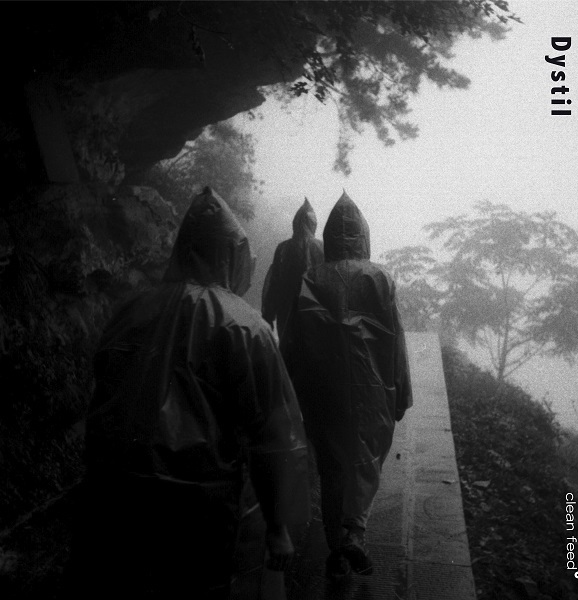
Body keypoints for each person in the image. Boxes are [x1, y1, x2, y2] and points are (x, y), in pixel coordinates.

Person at [64, 187, 309, 599]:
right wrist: (278, 525)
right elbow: (274, 436)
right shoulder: (245, 327)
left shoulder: (130, 311)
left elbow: (103, 393)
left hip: (117, 492)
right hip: (202, 502)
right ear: (233, 255)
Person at [292, 191, 412, 580]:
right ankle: (355, 532)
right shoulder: (380, 278)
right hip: (372, 388)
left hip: (324, 389)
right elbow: (396, 339)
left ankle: (336, 545)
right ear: (364, 235)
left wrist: (294, 394)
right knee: (366, 460)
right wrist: (402, 391)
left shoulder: (313, 278)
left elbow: (297, 342)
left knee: (331, 467)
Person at [261, 198, 324, 361]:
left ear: (295, 222)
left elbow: (273, 285)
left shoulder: (283, 248)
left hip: (286, 314)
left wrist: (268, 315)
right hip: (315, 318)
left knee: (288, 358)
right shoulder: (321, 248)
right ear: (313, 223)